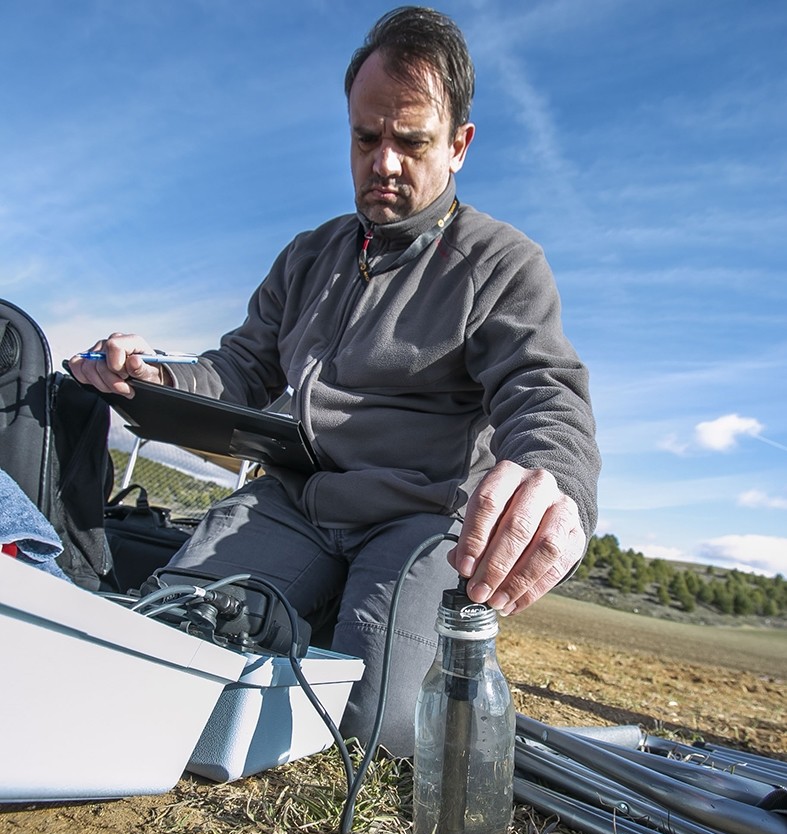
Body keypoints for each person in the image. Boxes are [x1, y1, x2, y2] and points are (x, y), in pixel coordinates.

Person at [70, 6, 601, 757]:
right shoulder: (308, 254)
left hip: (418, 519)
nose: (383, 161)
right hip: (297, 500)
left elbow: (541, 388)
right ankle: (312, 605)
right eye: (365, 137)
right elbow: (241, 368)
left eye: (410, 141)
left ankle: (360, 623)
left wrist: (558, 480)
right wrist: (156, 375)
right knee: (169, 639)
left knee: (375, 733)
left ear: (458, 147)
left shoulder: (502, 264)